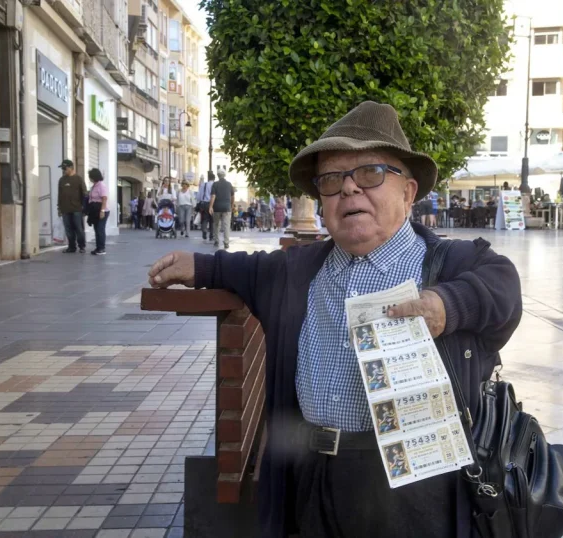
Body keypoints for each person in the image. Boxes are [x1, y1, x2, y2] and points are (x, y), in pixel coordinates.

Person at [148, 101, 522, 538]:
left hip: (417, 487)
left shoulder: (452, 263)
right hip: (313, 476)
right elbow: (244, 268)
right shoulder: (298, 271)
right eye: (331, 180)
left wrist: (445, 306)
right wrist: (197, 265)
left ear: (408, 191)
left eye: (370, 173)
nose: (348, 189)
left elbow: (504, 290)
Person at [56, 159, 87, 253]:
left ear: (70, 168)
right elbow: (59, 195)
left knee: (79, 228)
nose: (63, 170)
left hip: (77, 209)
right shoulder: (61, 180)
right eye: (62, 168)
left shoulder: (78, 179)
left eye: (65, 168)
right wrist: (59, 208)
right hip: (65, 209)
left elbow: (84, 194)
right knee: (68, 229)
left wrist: (84, 207)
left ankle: (82, 246)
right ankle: (71, 246)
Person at [209, 168, 235, 249]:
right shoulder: (229, 184)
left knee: (216, 225)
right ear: (225, 175)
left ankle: (216, 241)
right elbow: (233, 196)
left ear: (218, 175)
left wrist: (210, 206)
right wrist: (232, 205)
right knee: (226, 225)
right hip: (227, 207)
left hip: (217, 207)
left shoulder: (215, 184)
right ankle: (226, 242)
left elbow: (213, 196)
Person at [87, 168, 109, 255]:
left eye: (90, 176)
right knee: (96, 229)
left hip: (102, 210)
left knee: (100, 229)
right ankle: (98, 247)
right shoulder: (94, 186)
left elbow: (104, 198)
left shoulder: (101, 186)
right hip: (95, 210)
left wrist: (102, 211)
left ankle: (102, 248)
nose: (89, 178)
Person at [198, 172, 215, 242]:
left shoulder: (203, 185)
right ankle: (211, 235)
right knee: (212, 221)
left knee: (204, 219)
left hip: (204, 204)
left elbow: (199, 196)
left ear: (208, 178)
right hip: (213, 204)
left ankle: (204, 230)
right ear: (214, 179)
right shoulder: (215, 184)